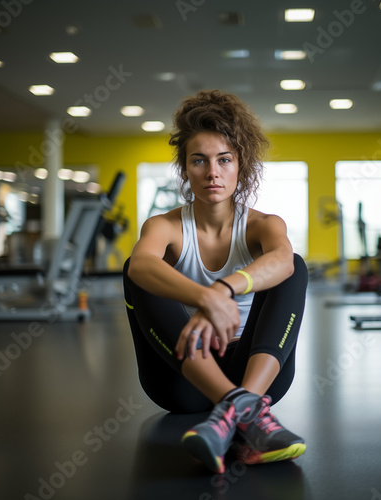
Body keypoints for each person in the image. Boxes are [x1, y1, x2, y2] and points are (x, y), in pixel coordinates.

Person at [123, 89, 308, 474]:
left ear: (241, 165)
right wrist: (204, 299)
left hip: (256, 372)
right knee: (136, 272)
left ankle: (235, 408)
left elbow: (281, 261)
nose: (212, 172)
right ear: (185, 168)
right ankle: (246, 414)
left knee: (294, 264)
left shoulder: (263, 225)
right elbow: (141, 265)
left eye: (224, 160)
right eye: (199, 161)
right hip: (183, 378)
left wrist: (224, 288)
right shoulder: (165, 226)